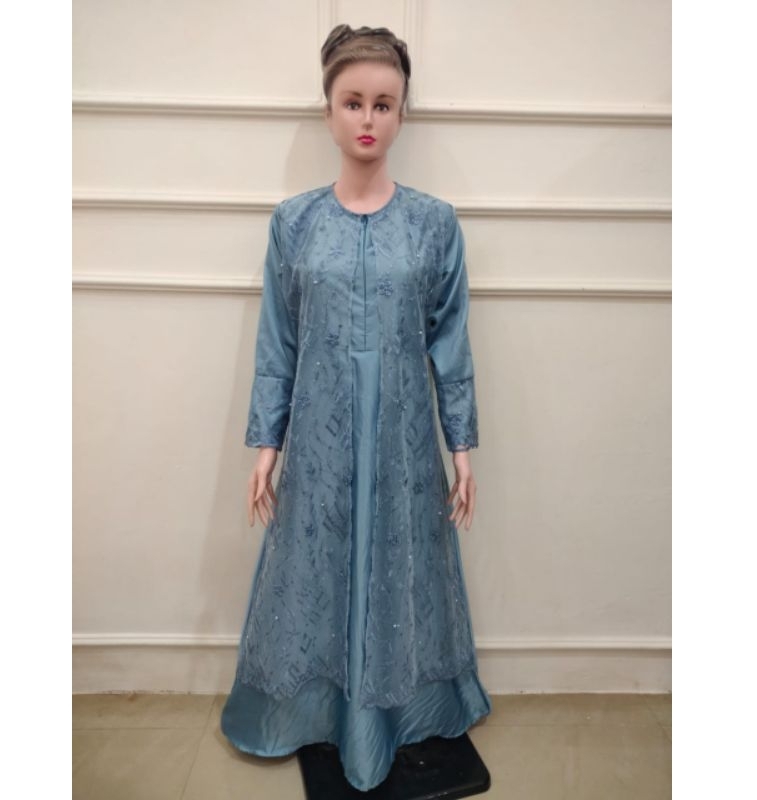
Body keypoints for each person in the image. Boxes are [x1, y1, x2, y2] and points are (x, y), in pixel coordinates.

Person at [220, 23, 492, 792]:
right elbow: (279, 343)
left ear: (402, 113)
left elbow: (450, 342)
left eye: (383, 103)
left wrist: (461, 448)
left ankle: (399, 714)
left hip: (403, 441)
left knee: (401, 570)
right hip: (321, 439)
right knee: (316, 569)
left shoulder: (434, 224)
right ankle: (319, 713)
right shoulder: (295, 223)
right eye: (352, 102)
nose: (367, 118)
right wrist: (266, 448)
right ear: (328, 110)